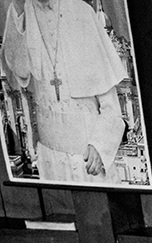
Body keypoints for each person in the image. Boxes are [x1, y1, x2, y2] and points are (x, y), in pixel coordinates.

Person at [2, 0, 125, 183]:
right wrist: (18, 11)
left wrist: (100, 146)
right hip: (49, 161)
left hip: (87, 159)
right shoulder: (21, 13)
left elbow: (112, 108)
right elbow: (17, 69)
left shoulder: (82, 12)